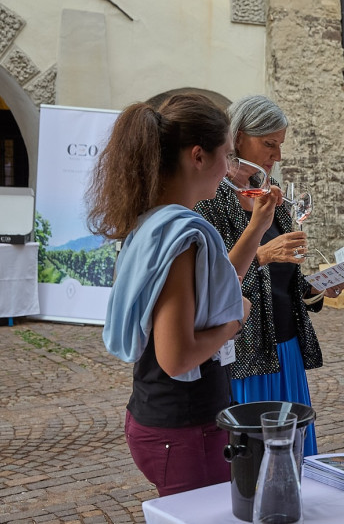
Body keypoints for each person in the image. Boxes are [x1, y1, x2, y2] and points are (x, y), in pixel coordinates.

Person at [86, 94, 280, 496]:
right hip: (185, 428)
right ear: (198, 157)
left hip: (165, 418)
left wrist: (257, 229)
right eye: (226, 155)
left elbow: (216, 284)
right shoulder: (182, 236)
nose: (229, 168)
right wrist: (234, 322)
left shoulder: (157, 221)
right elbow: (176, 358)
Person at [195, 95, 343, 457]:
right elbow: (211, 282)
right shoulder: (210, 199)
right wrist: (261, 255)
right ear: (238, 137)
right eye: (269, 144)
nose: (277, 155)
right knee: (256, 456)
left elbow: (283, 279)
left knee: (294, 450)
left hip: (285, 346)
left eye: (280, 145)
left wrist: (318, 286)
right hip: (246, 352)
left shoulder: (269, 193)